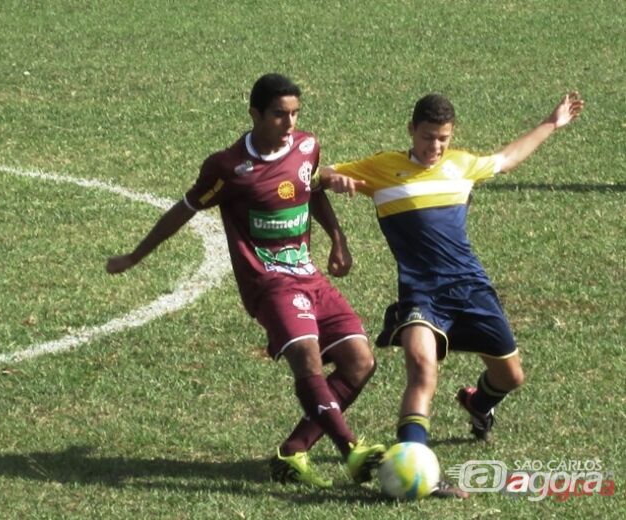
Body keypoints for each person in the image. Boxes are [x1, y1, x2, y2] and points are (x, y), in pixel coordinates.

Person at [106, 73, 385, 489]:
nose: (289, 123)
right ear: (255, 114)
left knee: (360, 362)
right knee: (307, 358)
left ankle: (293, 452)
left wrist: (338, 239)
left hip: (308, 275)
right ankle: (350, 451)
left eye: (294, 114)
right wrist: (135, 255)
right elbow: (183, 210)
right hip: (268, 283)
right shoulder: (228, 167)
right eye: (279, 115)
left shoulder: (307, 146)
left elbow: (312, 189)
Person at [320, 92, 585, 450]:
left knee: (511, 377)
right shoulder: (382, 169)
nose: (435, 145)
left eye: (443, 138)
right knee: (422, 370)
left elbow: (507, 159)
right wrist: (333, 179)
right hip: (421, 294)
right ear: (411, 130)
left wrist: (551, 123)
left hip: (471, 288)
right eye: (428, 136)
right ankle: (411, 457)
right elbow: (317, 176)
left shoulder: (461, 165)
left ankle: (478, 404)